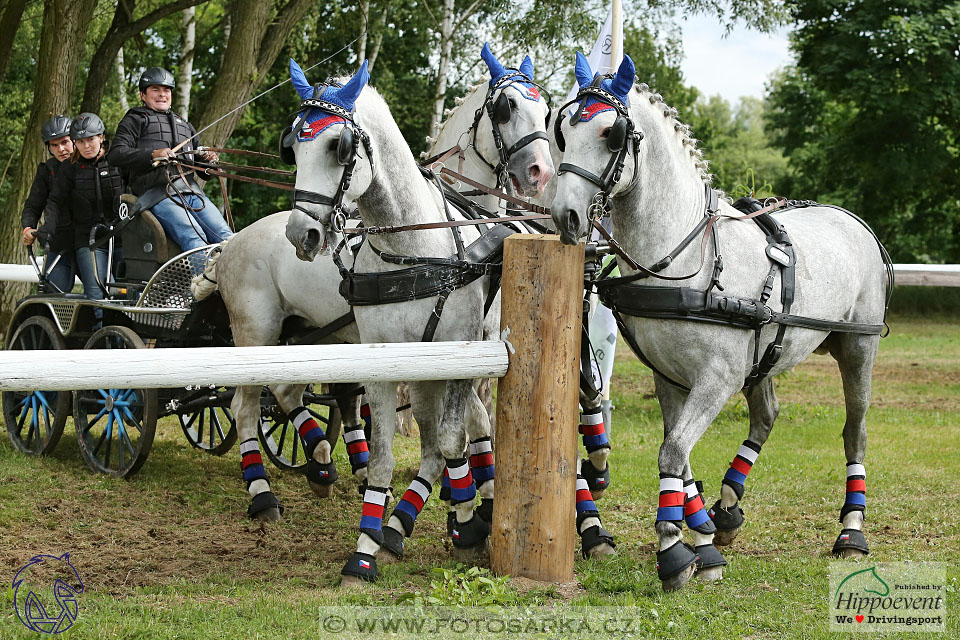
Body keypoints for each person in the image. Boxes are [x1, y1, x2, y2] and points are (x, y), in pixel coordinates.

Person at [108, 67, 233, 254]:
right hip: (157, 194)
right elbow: (115, 154)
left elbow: (201, 171)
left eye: (166, 90)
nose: (162, 95)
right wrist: (152, 154)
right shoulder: (134, 119)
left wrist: (208, 162)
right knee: (194, 236)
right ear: (143, 95)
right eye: (155, 90)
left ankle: (228, 282)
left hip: (191, 191)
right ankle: (201, 283)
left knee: (227, 237)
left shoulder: (186, 126)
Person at [39, 113, 124, 301]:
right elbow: (55, 201)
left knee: (130, 292)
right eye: (80, 141)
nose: (86, 146)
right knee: (97, 292)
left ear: (101, 137)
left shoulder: (118, 160)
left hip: (123, 237)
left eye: (91, 140)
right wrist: (48, 228)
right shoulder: (70, 168)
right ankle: (99, 329)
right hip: (89, 240)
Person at [20, 115, 77, 293]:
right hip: (59, 243)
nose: (61, 149)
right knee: (53, 297)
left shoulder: (91, 166)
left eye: (65, 142)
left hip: (90, 243)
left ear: (75, 140)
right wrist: (28, 228)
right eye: (54, 145)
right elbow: (32, 205)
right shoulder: (46, 170)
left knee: (100, 299)